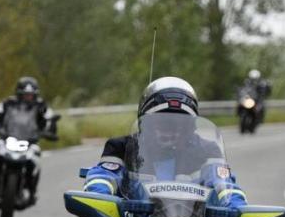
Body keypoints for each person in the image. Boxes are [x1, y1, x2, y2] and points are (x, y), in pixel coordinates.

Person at [82, 76, 247, 209]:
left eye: (179, 124)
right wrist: (99, 198)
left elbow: (225, 186)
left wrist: (238, 210)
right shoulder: (121, 147)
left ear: (190, 127)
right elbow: (103, 177)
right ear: (146, 124)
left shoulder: (208, 151)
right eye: (163, 122)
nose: (171, 130)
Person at [0, 76, 57, 202]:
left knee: (36, 157)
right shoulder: (8, 103)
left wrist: (50, 129)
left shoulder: (41, 106)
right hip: (7, 138)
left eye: (30, 95)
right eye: (25, 94)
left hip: (29, 140)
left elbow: (49, 119)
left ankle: (32, 189)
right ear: (19, 93)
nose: (28, 97)